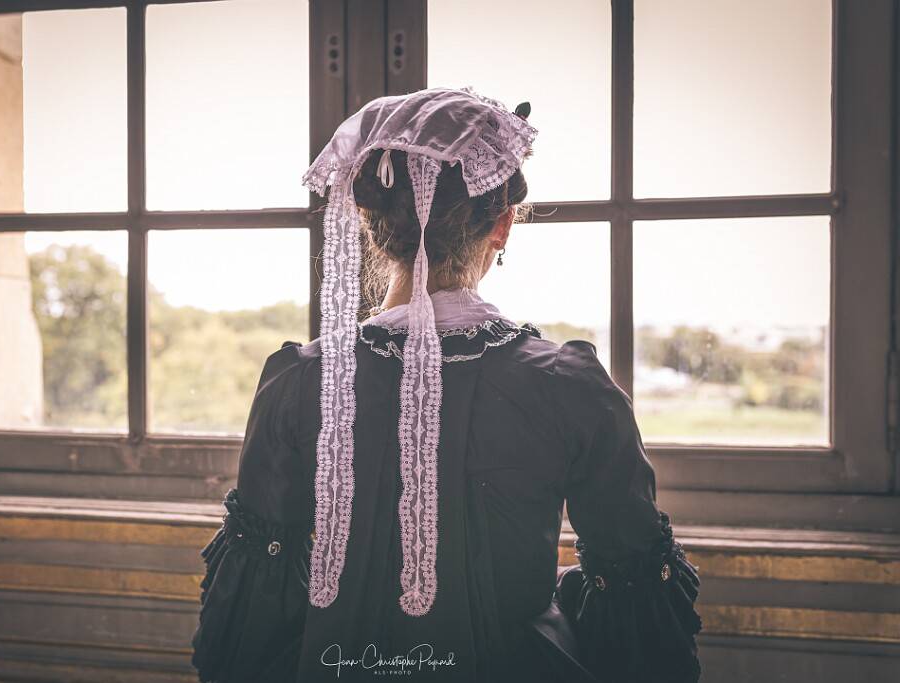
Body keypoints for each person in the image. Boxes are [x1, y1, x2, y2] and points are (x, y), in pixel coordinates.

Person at [191, 87, 702, 683]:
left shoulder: (298, 379)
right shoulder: (569, 385)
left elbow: (256, 606)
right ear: (503, 225)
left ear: (372, 227)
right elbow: (633, 585)